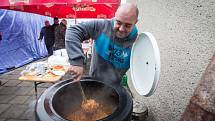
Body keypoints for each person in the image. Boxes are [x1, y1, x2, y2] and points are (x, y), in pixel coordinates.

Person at [65, 3, 139, 86]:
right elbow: (73, 31)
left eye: (127, 25)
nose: (121, 29)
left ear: (135, 22)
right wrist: (76, 62)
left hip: (115, 85)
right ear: (115, 16)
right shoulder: (102, 26)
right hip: (94, 81)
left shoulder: (138, 42)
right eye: (118, 22)